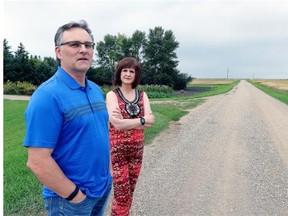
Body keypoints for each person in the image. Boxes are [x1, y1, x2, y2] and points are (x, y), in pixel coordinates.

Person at [23, 20, 112, 216]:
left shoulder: (95, 89)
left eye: (88, 45)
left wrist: (107, 176)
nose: (83, 50)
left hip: (101, 188)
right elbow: (37, 161)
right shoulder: (47, 96)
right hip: (70, 200)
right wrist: (75, 196)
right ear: (58, 52)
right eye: (74, 44)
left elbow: (100, 134)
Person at [106, 57, 155, 216]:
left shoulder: (142, 95)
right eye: (124, 70)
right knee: (121, 194)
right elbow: (118, 124)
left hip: (136, 152)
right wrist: (141, 120)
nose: (127, 74)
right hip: (117, 154)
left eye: (131, 71)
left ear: (136, 75)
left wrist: (128, 121)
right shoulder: (112, 95)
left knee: (130, 191)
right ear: (119, 73)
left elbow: (150, 122)